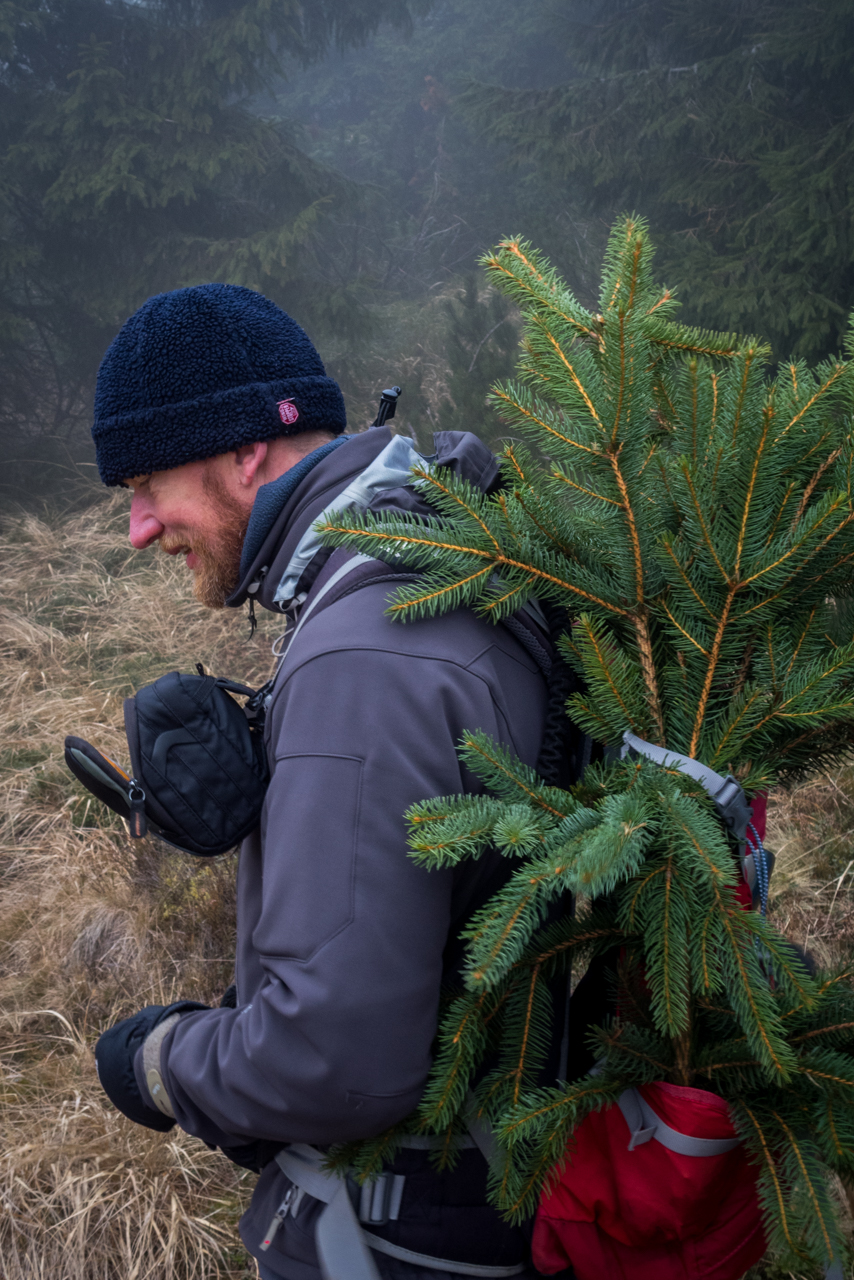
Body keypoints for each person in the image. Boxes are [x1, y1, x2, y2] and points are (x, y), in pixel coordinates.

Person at [90, 283, 572, 1280]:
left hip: (399, 1233)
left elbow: (334, 1057)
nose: (140, 527)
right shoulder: (430, 555)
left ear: (245, 450)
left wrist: (158, 1058)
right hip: (478, 1197)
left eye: (147, 483)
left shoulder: (364, 654)